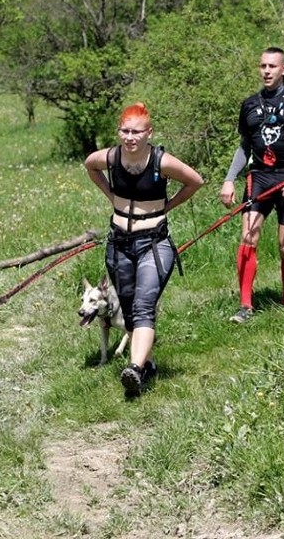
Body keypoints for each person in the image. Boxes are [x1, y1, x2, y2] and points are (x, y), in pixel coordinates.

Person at [85, 102, 204, 397]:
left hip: (154, 243)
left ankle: (134, 369)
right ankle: (147, 365)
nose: (130, 137)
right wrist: (110, 195)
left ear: (149, 133)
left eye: (137, 132)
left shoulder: (161, 161)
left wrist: (168, 206)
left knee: (143, 306)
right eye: (125, 131)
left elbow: (195, 181)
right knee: (127, 308)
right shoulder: (111, 158)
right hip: (118, 244)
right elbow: (90, 164)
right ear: (119, 132)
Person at [219, 47, 284, 323]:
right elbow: (244, 146)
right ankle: (245, 306)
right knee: (248, 235)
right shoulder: (249, 105)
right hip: (259, 177)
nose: (266, 71)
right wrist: (229, 179)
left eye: (272, 66)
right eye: (263, 66)